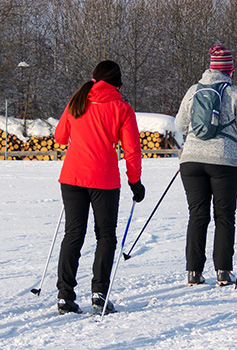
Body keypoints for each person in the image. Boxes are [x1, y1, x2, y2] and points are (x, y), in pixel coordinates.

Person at [54, 60, 145, 315]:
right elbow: (132, 149)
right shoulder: (121, 108)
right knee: (105, 235)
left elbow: (60, 136)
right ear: (117, 81)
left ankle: (64, 295)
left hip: (72, 177)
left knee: (73, 234)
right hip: (103, 180)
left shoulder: (78, 100)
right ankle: (99, 293)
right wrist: (135, 181)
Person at [174, 45, 237, 286]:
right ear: (229, 71)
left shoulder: (194, 90)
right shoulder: (236, 93)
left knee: (197, 215)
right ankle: (223, 272)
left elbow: (180, 125)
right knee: (224, 216)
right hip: (225, 161)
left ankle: (194, 272)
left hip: (192, 161)